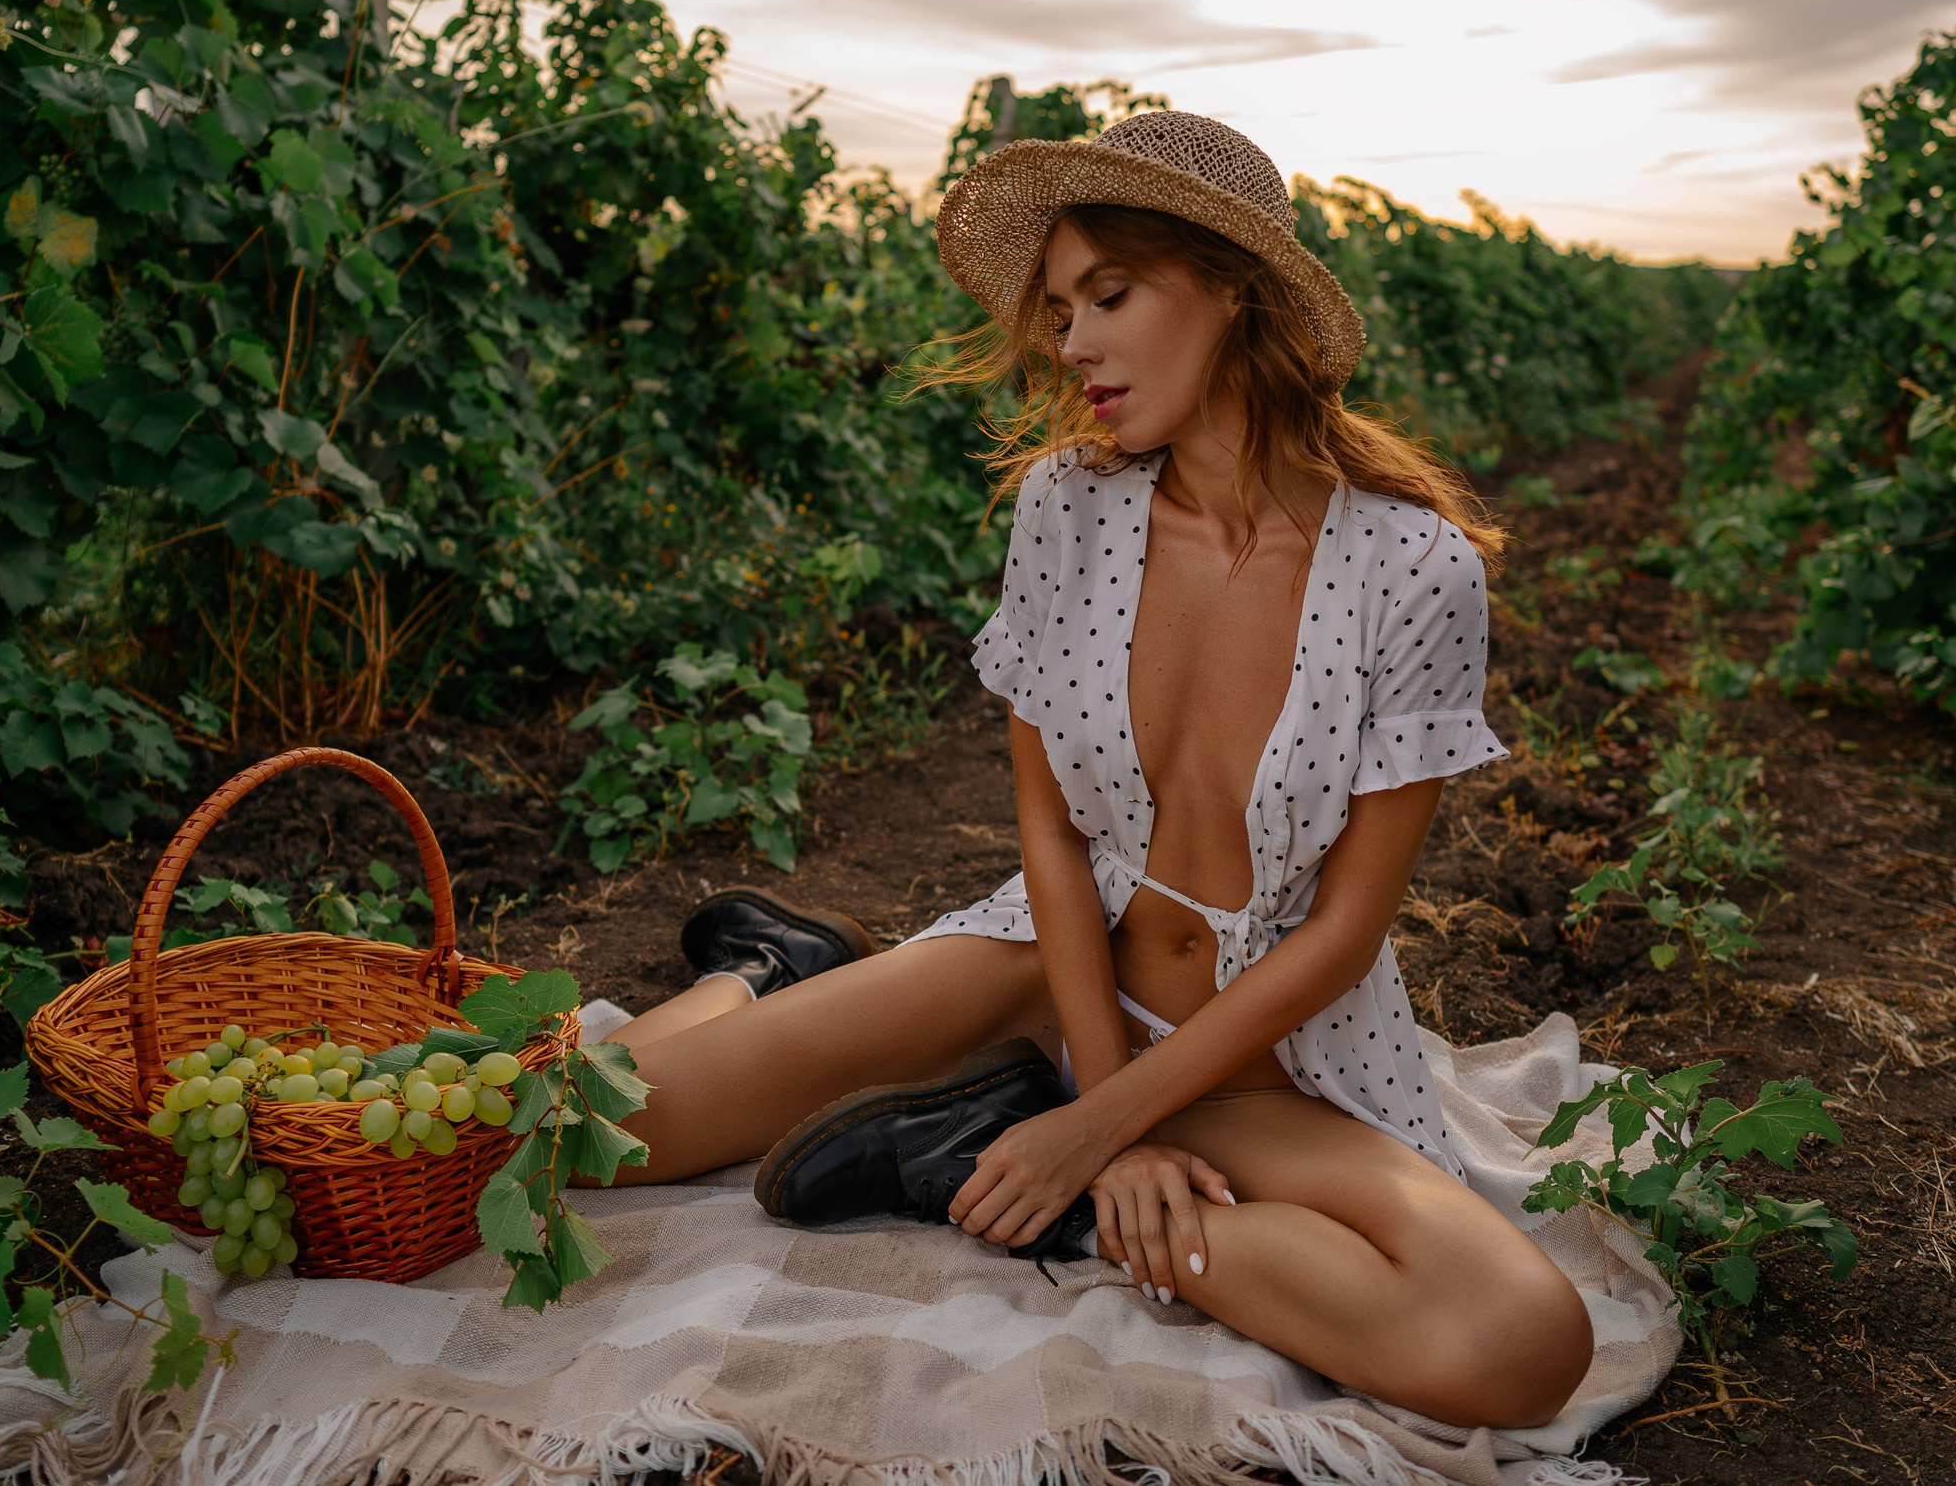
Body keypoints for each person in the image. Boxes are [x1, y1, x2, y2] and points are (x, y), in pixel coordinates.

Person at [596, 113, 1593, 1431]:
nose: (1071, 346)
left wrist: (1101, 1127)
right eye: (1060, 311)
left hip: (1256, 1067)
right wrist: (1102, 1109)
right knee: (593, 1130)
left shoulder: (1413, 568)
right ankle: (771, 972)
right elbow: (1053, 828)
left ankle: (1006, 1163)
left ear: (1234, 288)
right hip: (1044, 976)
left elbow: (1345, 931)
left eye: (1109, 297)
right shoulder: (1069, 507)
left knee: (1518, 1344)